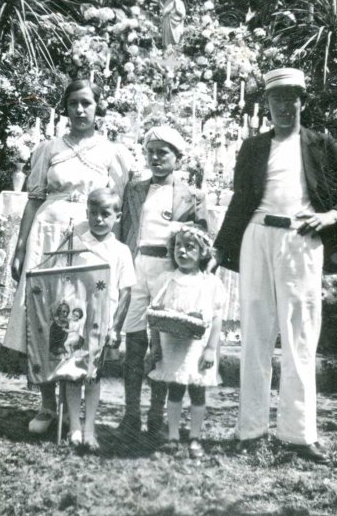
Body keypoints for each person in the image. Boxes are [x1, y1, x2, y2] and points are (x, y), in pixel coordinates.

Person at [214, 67, 337, 464]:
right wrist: (220, 249)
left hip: (303, 241)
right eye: (276, 100)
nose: (284, 106)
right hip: (257, 236)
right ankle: (249, 429)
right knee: (255, 331)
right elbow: (239, 200)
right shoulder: (253, 148)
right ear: (267, 104)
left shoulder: (321, 144)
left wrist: (333, 216)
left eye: (291, 98)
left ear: (303, 101)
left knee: (301, 334)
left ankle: (299, 434)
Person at [4, 78, 133, 435]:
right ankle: (47, 405)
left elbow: (116, 207)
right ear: (65, 108)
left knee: (80, 317)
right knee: (45, 316)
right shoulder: (49, 147)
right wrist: (20, 247)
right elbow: (33, 198)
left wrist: (113, 256)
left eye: (86, 103)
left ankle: (74, 411)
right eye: (73, 103)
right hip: (47, 235)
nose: (79, 110)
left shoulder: (111, 152)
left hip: (90, 239)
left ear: (97, 108)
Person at [119, 125, 208, 443]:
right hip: (138, 267)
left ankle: (156, 414)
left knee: (165, 345)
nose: (156, 158)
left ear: (178, 159)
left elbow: (203, 242)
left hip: (169, 272)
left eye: (163, 153)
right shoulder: (134, 189)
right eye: (151, 152)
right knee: (134, 342)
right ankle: (131, 414)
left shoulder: (192, 196)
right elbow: (126, 231)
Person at [63, 188, 137, 448]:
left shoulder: (121, 250)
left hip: (103, 321)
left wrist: (116, 327)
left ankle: (89, 428)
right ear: (86, 213)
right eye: (93, 213)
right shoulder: (76, 243)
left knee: (94, 374)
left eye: (105, 214)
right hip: (76, 319)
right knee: (73, 373)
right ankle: (73, 425)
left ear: (118, 216)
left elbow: (126, 291)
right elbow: (64, 280)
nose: (98, 219)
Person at [148, 226, 225, 459]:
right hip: (171, 344)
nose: (181, 251)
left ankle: (194, 437)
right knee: (175, 388)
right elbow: (155, 314)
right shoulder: (166, 280)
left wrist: (211, 349)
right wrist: (155, 345)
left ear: (203, 253)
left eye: (189, 247)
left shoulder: (209, 283)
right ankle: (172, 436)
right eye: (178, 246)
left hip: (198, 347)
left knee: (197, 391)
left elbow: (216, 317)